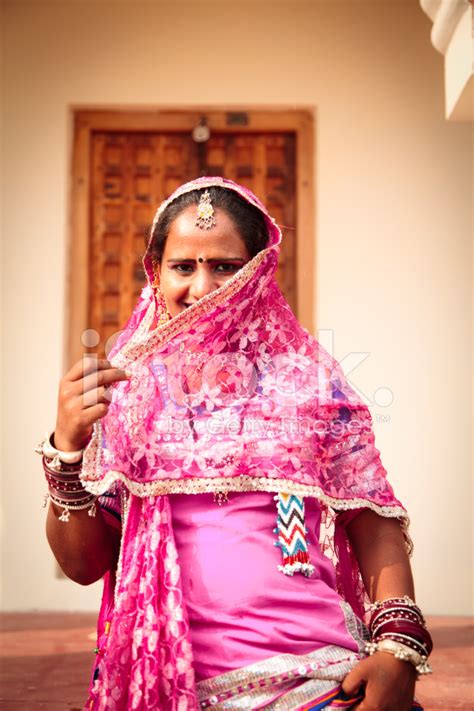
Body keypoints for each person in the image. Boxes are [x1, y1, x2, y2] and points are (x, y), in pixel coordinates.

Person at [39, 177, 432, 711]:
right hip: (164, 681)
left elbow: (370, 519)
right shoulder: (122, 393)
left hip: (314, 675)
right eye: (184, 266)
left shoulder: (311, 381)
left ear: (258, 272)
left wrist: (398, 649)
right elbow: (85, 565)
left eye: (225, 266)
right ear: (156, 273)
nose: (203, 288)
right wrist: (66, 450)